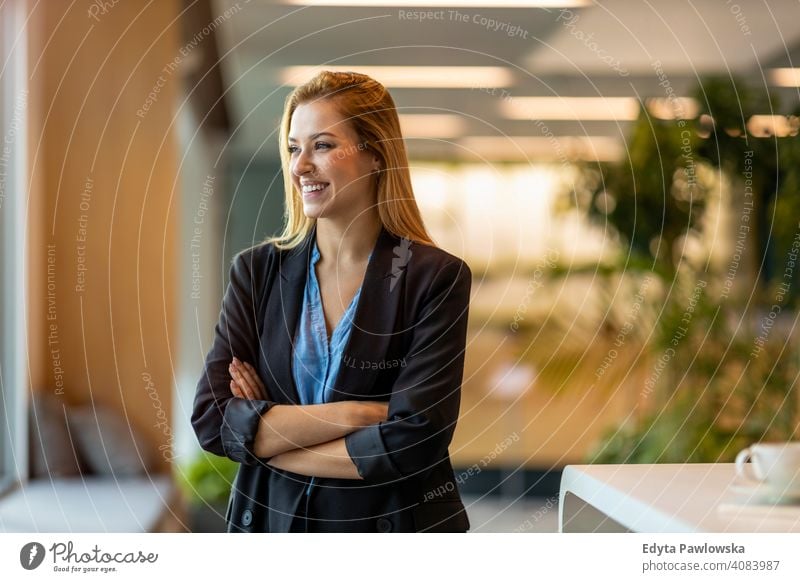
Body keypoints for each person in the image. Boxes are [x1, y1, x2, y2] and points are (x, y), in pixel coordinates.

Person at [191, 70, 473, 532]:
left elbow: (413, 439)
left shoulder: (434, 278)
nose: (300, 165)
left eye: (321, 145)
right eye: (293, 147)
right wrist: (358, 415)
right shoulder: (257, 273)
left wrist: (268, 436)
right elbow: (213, 418)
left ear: (375, 156)